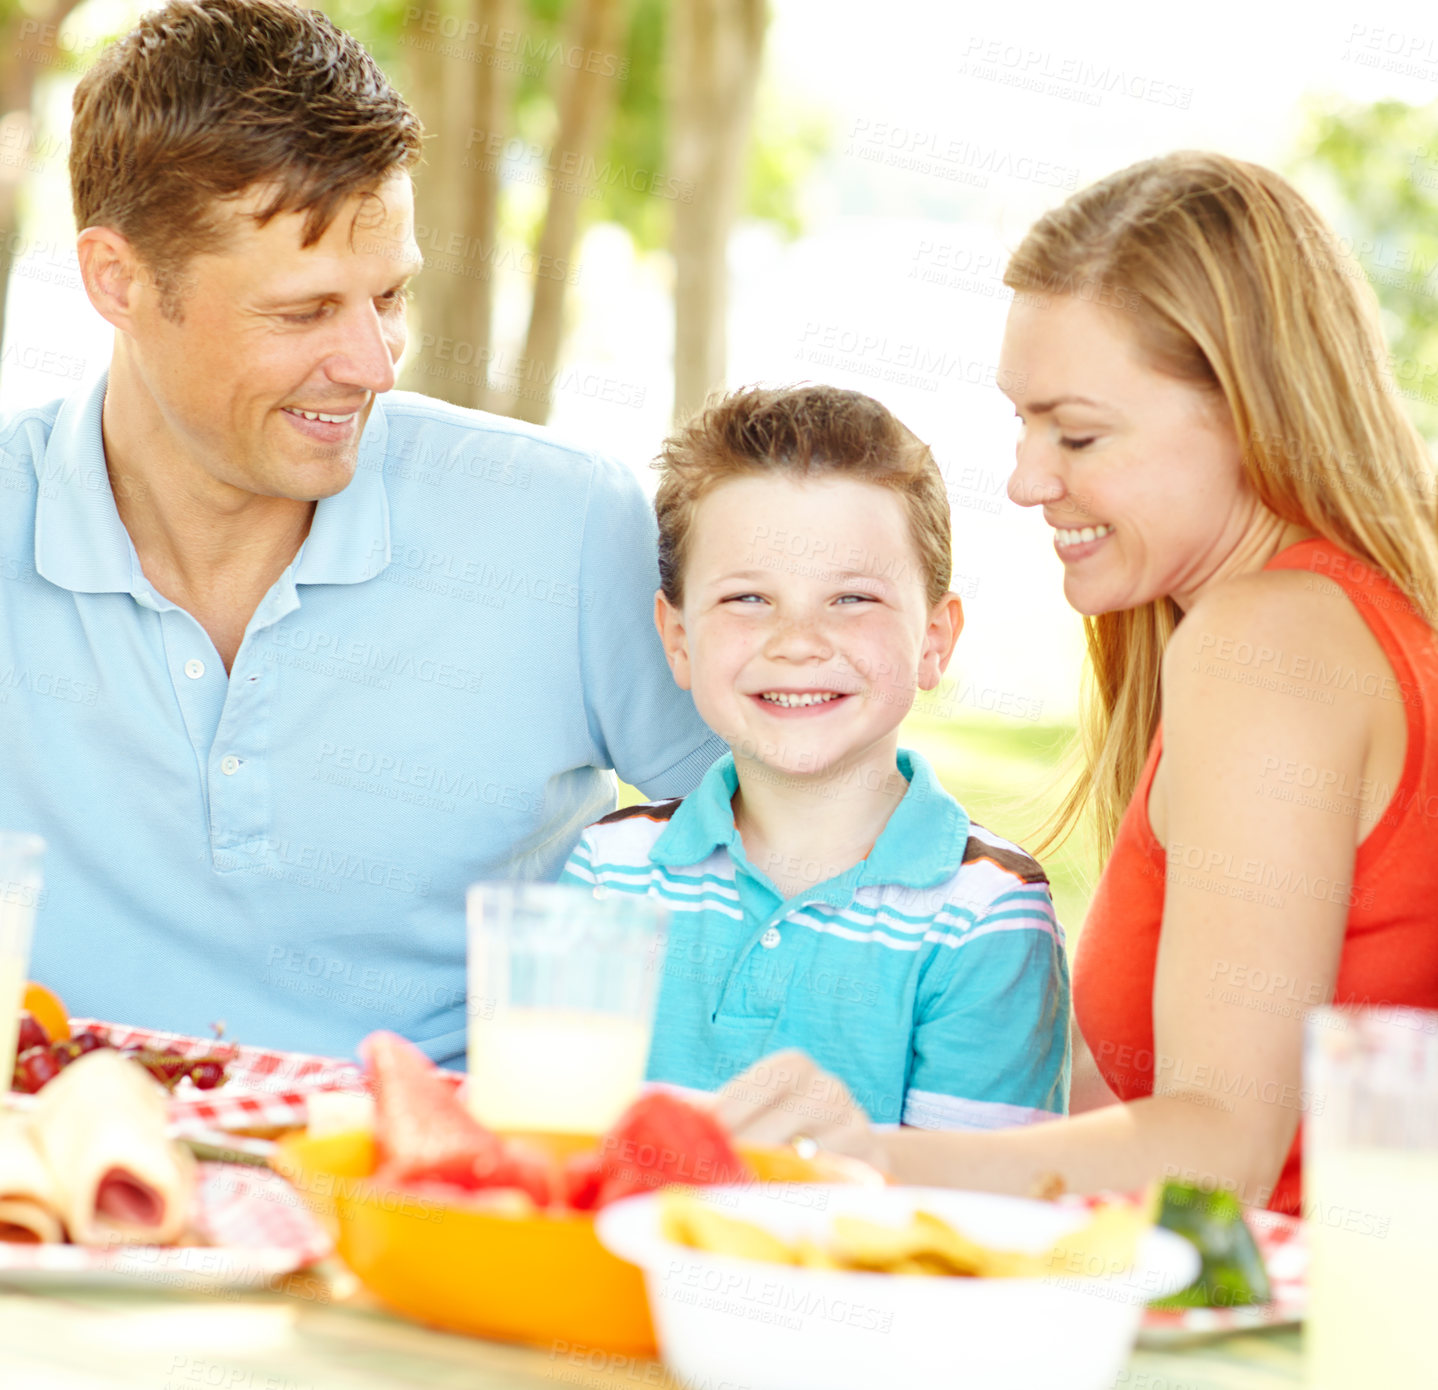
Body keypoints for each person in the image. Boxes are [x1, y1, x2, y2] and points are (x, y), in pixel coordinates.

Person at [710, 152, 1438, 1217]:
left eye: (1078, 433)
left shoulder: (1265, 643)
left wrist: (856, 1160)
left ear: (1248, 406)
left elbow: (1217, 1152)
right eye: (1022, 422)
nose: (1024, 478)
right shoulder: (1353, 620)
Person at [0, 0, 722, 1063]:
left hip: (448, 1198)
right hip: (73, 1196)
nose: (376, 364)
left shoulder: (564, 526)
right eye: (303, 312)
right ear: (119, 279)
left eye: (388, 297)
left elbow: (792, 850)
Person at [560, 385, 1070, 1129]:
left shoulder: (985, 913)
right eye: (747, 600)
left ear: (934, 638)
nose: (797, 640)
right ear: (678, 640)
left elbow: (975, 1215)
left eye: (852, 600)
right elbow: (552, 1142)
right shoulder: (609, 870)